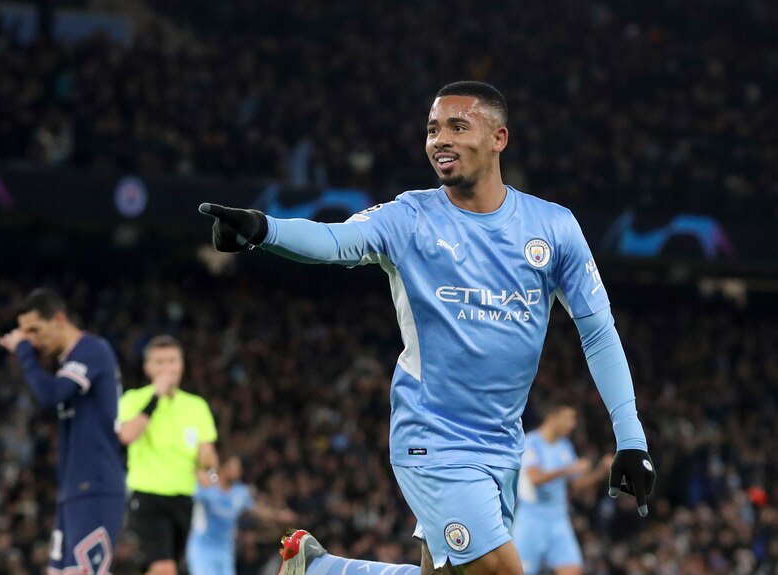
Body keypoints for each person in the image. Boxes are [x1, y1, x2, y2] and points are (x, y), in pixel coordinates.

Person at [198, 81, 656, 575]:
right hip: (433, 436)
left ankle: (321, 570)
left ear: (499, 138)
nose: (441, 139)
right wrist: (264, 229)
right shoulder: (410, 217)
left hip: (501, 443)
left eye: (459, 127)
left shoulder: (554, 227)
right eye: (434, 129)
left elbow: (598, 331)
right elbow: (337, 239)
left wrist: (631, 439)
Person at [0, 288, 126, 575]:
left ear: (58, 319)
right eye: (24, 333)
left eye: (35, 330)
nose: (31, 340)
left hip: (96, 486)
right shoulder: (68, 362)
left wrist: (23, 353)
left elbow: (51, 394)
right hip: (74, 489)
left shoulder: (92, 350)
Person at [117, 335, 219, 575]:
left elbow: (207, 453)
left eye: (172, 361)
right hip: (147, 495)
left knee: (163, 567)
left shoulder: (196, 406)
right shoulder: (133, 399)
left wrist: (208, 471)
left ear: (181, 365)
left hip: (183, 498)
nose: (167, 368)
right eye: (160, 362)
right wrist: (155, 397)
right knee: (165, 568)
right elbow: (127, 435)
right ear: (147, 367)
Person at [512, 404, 613, 575]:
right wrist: (567, 469)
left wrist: (601, 472)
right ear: (553, 416)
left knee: (572, 570)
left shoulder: (565, 446)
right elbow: (535, 478)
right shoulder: (531, 442)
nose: (572, 424)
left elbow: (575, 484)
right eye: (569, 418)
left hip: (559, 519)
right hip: (531, 519)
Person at [186, 454, 299, 575]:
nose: (239, 469)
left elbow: (257, 510)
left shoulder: (240, 493)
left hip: (225, 553)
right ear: (224, 467)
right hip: (202, 549)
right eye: (236, 466)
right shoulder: (206, 489)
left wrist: (279, 516)